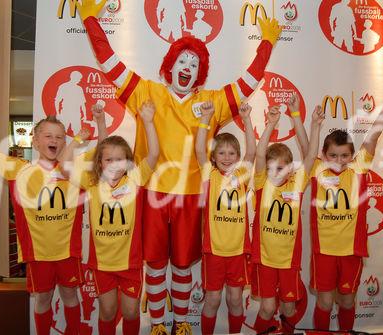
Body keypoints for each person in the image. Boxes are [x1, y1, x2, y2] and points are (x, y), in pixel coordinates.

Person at [75, 1, 282, 333]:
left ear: (200, 72)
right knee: (155, 265)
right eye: (182, 60)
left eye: (194, 63)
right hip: (152, 194)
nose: (188, 66)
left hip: (190, 197)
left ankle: (182, 323)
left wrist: (267, 44)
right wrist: (89, 21)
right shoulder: (147, 91)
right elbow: (110, 63)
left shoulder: (210, 102)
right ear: (170, 65)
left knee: (183, 265)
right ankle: (158, 324)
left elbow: (248, 82)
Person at [0, 96, 85, 335]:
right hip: (38, 254)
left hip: (68, 252)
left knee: (70, 296)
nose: (54, 140)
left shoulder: (74, 172)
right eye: (48, 136)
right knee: (43, 299)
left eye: (59, 137)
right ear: (35, 142)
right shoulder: (20, 169)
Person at [59, 101, 159, 335]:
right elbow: (64, 165)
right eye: (108, 160)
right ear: (100, 163)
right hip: (102, 264)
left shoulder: (134, 180)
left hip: (131, 263)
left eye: (120, 160)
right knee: (107, 312)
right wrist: (77, 140)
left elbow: (154, 153)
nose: (114, 165)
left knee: (132, 312)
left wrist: (149, 122)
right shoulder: (93, 183)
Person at [310, 83, 383, 331]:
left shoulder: (358, 169)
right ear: (324, 155)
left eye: (344, 156)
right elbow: (307, 147)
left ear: (352, 156)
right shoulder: (317, 170)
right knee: (326, 301)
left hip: (351, 251)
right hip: (325, 251)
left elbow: (373, 136)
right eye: (333, 156)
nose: (339, 161)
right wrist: (314, 125)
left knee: (347, 300)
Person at [251, 95, 324, 333]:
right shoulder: (263, 183)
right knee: (266, 308)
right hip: (264, 260)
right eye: (271, 168)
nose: (275, 172)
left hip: (288, 262)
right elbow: (260, 154)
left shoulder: (297, 183)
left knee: (289, 309)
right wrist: (271, 124)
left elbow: (311, 156)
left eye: (280, 168)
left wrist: (310, 123)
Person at [195, 102, 255, 334]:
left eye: (231, 154)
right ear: (214, 157)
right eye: (221, 153)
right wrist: (206, 118)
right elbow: (200, 150)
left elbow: (251, 152)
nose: (227, 158)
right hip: (214, 252)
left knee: (235, 300)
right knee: (212, 300)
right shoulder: (209, 175)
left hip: (238, 252)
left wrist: (247, 119)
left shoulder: (241, 176)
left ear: (237, 157)